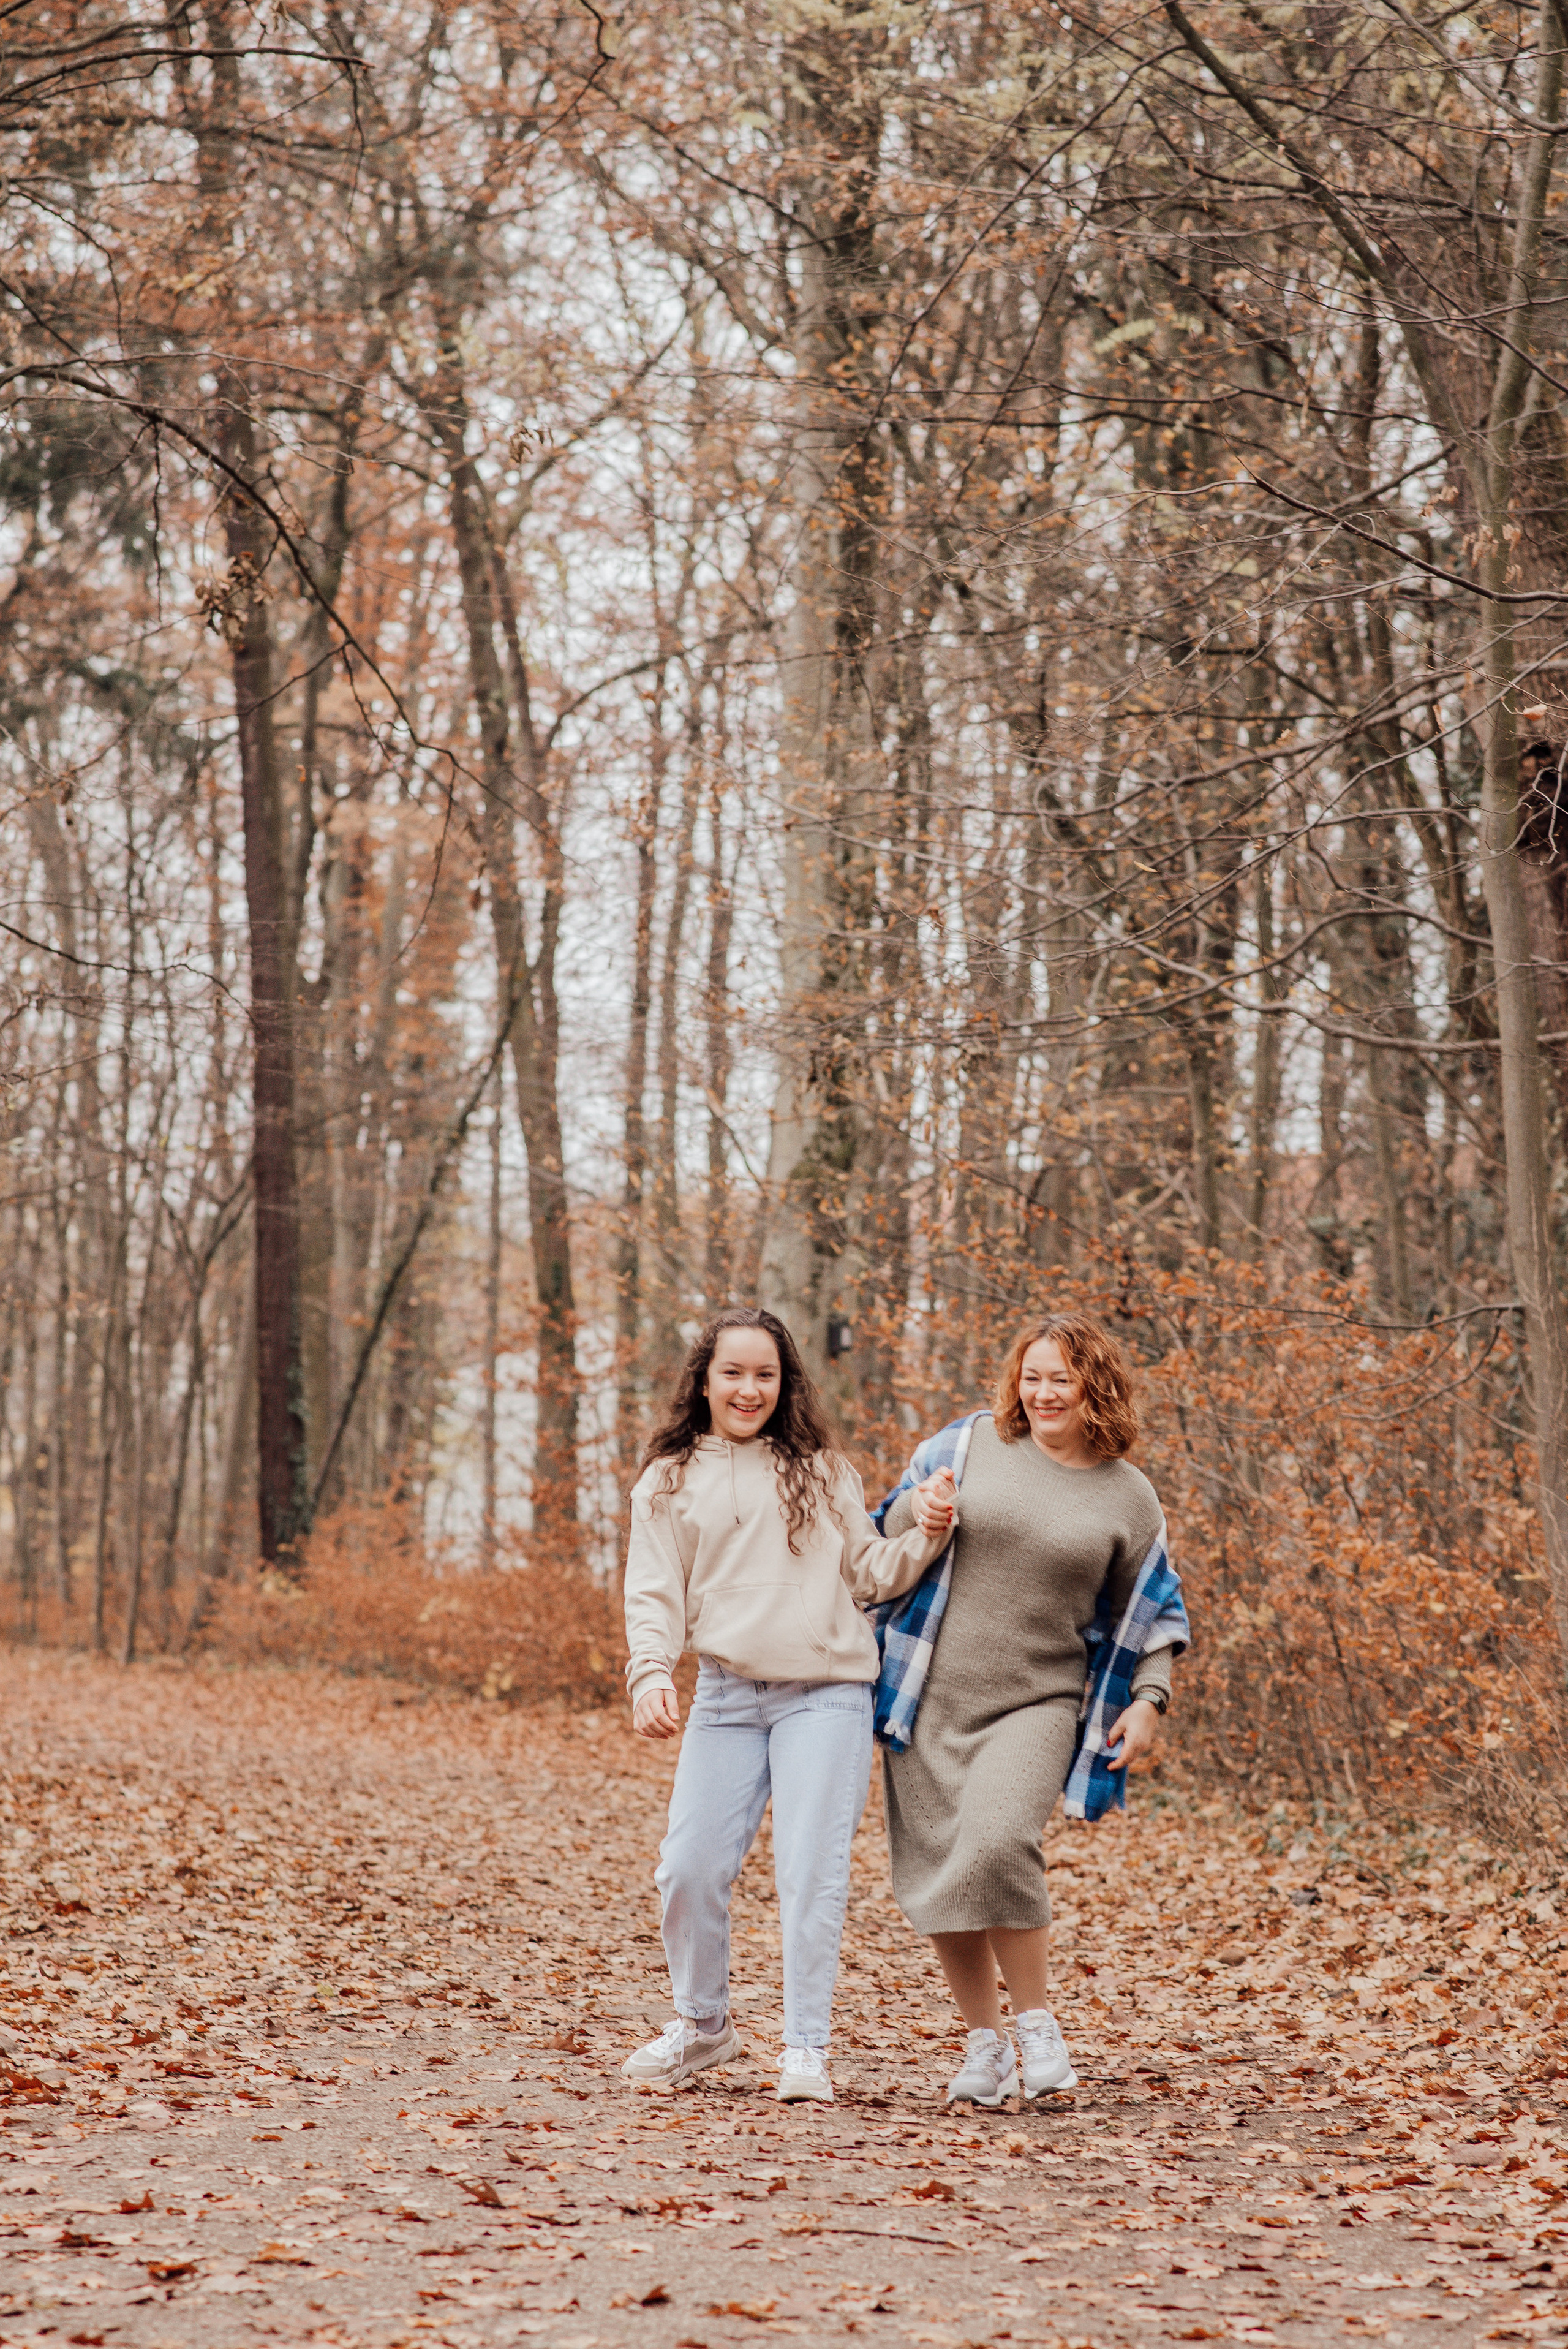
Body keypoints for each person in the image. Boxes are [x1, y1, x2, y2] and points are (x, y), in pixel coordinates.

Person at [620, 1306, 957, 2103]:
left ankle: (805, 2047)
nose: (749, 1388)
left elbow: (870, 1571)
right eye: (732, 1372)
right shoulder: (668, 1479)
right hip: (728, 1695)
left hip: (828, 1694)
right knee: (688, 1868)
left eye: (765, 1374)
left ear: (786, 1381)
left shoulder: (822, 1467)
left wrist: (930, 1531)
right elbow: (653, 1590)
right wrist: (651, 1672)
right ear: (704, 1379)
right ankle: (704, 2025)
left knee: (812, 1872)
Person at [875, 1311, 1188, 2108]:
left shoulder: (1128, 1494)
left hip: (1041, 1699)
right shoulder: (966, 1443)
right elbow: (887, 1525)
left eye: (1061, 1378)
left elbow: (1155, 1611)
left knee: (998, 1839)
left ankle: (1038, 2023)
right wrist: (924, 1509)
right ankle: (986, 2046)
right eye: (1032, 1375)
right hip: (930, 1693)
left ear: (1095, 1387)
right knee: (943, 1867)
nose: (1043, 1392)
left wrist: (1149, 1700)